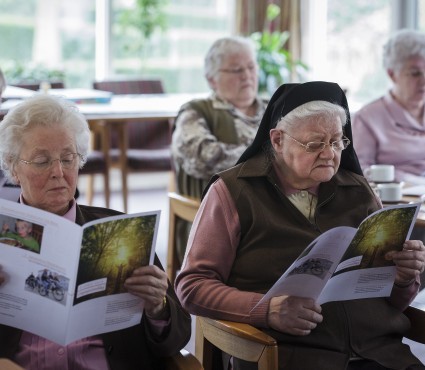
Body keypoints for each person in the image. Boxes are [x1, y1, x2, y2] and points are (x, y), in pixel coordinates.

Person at [175, 81, 425, 370]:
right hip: (286, 355)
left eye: (336, 142)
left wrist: (405, 278)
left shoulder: (357, 190)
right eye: (315, 144)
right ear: (278, 140)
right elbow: (192, 286)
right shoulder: (234, 191)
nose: (330, 154)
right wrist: (266, 310)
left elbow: (392, 300)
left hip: (379, 353)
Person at [0, 94, 191, 370]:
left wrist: (157, 307)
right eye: (42, 161)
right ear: (14, 168)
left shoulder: (119, 230)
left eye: (68, 158)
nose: (58, 172)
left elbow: (176, 339)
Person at [171, 36, 267, 263]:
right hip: (220, 219)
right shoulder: (196, 113)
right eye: (235, 70)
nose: (246, 75)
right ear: (212, 80)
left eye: (251, 67)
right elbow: (204, 156)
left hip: (277, 213)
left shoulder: (275, 109)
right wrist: (273, 158)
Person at [352, 29, 425, 185]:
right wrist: (406, 179)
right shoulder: (368, 118)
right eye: (415, 73)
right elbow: (359, 170)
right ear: (392, 74)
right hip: (399, 199)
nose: (424, 81)